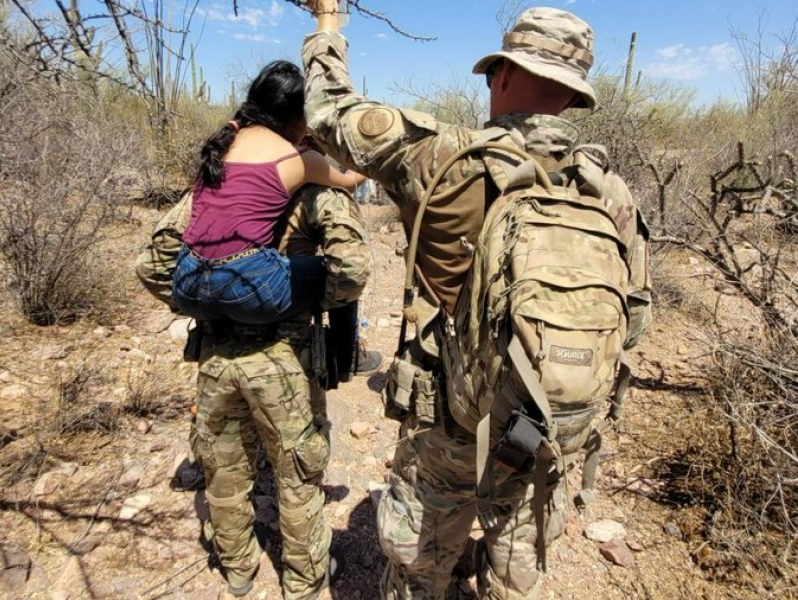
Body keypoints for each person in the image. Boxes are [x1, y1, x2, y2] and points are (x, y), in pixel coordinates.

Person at [302, 3, 652, 599]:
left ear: (504, 75)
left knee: (419, 570)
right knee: (517, 566)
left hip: (449, 427)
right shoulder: (609, 191)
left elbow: (327, 111)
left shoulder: (445, 159)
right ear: (571, 98)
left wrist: (328, 26)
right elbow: (633, 324)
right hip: (544, 428)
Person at [138, 182, 373, 598]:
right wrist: (310, 302)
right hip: (285, 361)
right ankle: (304, 580)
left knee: (223, 466)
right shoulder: (316, 192)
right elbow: (351, 270)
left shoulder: (211, 191)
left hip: (216, 355)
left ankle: (238, 569)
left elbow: (154, 266)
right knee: (297, 471)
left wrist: (203, 302)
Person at [172, 59, 364, 328]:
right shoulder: (299, 158)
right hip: (249, 289)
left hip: (187, 283)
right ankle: (346, 357)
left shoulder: (221, 143)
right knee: (342, 273)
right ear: (297, 116)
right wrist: (375, 166)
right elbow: (348, 182)